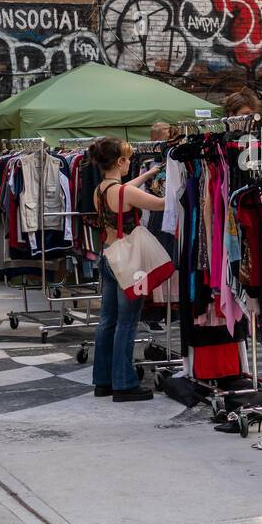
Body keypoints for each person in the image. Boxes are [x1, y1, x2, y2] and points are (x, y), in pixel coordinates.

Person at [90, 136, 165, 402]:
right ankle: (124, 383)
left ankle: (103, 381)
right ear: (120, 161)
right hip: (130, 264)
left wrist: (148, 174)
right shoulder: (125, 193)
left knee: (107, 321)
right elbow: (160, 204)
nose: (130, 163)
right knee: (128, 322)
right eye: (128, 159)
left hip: (109, 258)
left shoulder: (101, 189)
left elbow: (125, 189)